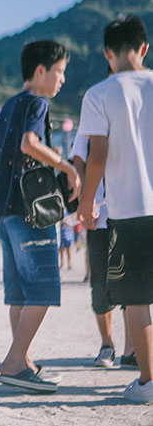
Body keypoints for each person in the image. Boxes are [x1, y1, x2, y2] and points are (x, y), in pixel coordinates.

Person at [0, 39, 79, 393]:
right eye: (60, 72)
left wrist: (9, 185)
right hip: (29, 214)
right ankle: (15, 361)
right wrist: (67, 167)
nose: (62, 80)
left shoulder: (7, 106)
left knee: (19, 292)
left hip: (3, 211)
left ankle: (23, 359)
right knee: (43, 286)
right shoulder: (37, 101)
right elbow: (30, 144)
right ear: (41, 71)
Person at [76, 15, 153, 403]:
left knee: (138, 297)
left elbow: (98, 155)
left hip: (129, 206)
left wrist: (87, 202)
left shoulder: (99, 94)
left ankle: (147, 381)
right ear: (144, 48)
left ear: (108, 54)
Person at [70, 133, 134, 368]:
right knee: (100, 283)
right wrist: (84, 202)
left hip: (129, 214)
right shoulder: (87, 129)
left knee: (130, 282)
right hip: (98, 217)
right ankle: (107, 345)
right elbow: (78, 165)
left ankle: (131, 348)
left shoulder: (130, 120)